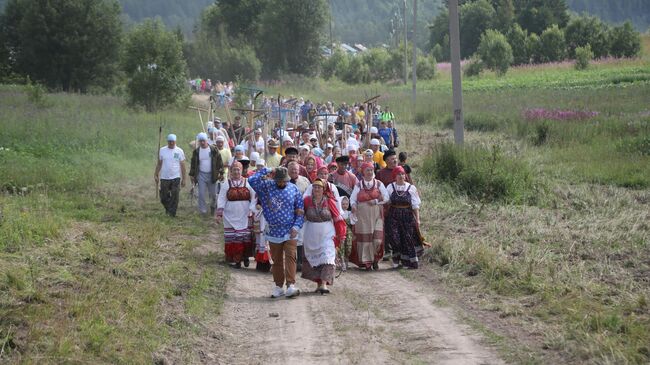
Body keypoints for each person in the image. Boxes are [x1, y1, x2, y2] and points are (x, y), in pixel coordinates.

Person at [249, 166, 304, 299]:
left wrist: (297, 226)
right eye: (280, 181)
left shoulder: (293, 189)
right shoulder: (266, 187)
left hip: (290, 229)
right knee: (277, 259)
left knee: (291, 256)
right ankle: (279, 286)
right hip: (274, 230)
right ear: (274, 179)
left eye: (284, 181)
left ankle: (291, 285)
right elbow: (251, 180)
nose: (282, 183)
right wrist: (267, 169)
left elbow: (300, 209)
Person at [301, 179, 346, 294]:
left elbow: (337, 218)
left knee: (327, 256)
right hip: (311, 234)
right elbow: (300, 214)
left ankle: (324, 284)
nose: (316, 189)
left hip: (327, 233)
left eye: (319, 187)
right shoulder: (306, 201)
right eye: (315, 187)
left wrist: (341, 234)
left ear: (323, 189)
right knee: (315, 258)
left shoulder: (329, 201)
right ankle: (319, 283)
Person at [349, 162, 389, 270]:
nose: (370, 172)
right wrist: (353, 206)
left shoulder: (378, 184)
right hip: (362, 216)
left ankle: (375, 258)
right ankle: (368, 262)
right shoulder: (359, 185)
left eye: (371, 170)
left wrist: (376, 201)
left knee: (377, 239)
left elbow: (386, 197)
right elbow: (353, 199)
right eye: (367, 170)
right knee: (365, 239)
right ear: (363, 172)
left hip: (376, 214)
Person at [216, 161, 256, 268]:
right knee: (233, 237)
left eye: (238, 170)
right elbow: (221, 198)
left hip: (245, 214)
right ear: (231, 171)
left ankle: (245, 257)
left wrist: (252, 209)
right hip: (230, 215)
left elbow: (254, 196)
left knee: (244, 236)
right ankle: (236, 260)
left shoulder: (247, 182)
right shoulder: (227, 184)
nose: (236, 172)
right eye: (234, 170)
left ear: (241, 170)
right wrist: (220, 213)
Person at [385, 166, 424, 269]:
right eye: (399, 174)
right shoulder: (390, 187)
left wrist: (418, 219)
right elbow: (386, 201)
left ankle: (408, 262)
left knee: (407, 239)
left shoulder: (411, 188)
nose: (401, 176)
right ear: (394, 176)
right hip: (393, 217)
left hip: (407, 217)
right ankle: (396, 258)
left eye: (402, 174)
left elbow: (415, 206)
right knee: (395, 238)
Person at [189, 132, 224, 215]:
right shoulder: (196, 152)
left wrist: (221, 173)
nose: (202, 142)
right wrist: (192, 174)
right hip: (201, 175)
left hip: (212, 175)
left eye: (203, 141)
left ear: (206, 140)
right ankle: (203, 211)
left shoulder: (213, 150)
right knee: (201, 194)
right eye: (200, 141)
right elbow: (193, 164)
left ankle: (213, 207)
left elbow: (220, 162)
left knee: (213, 195)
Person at [154, 134, 187, 217]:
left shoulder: (179, 151)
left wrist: (184, 179)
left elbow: (183, 166)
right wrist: (156, 174)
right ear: (167, 142)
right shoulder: (162, 150)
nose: (171, 143)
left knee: (175, 196)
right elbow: (159, 164)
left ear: (175, 141)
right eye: (170, 142)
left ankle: (172, 214)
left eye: (173, 142)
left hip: (175, 177)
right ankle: (168, 209)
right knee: (163, 197)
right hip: (164, 177)